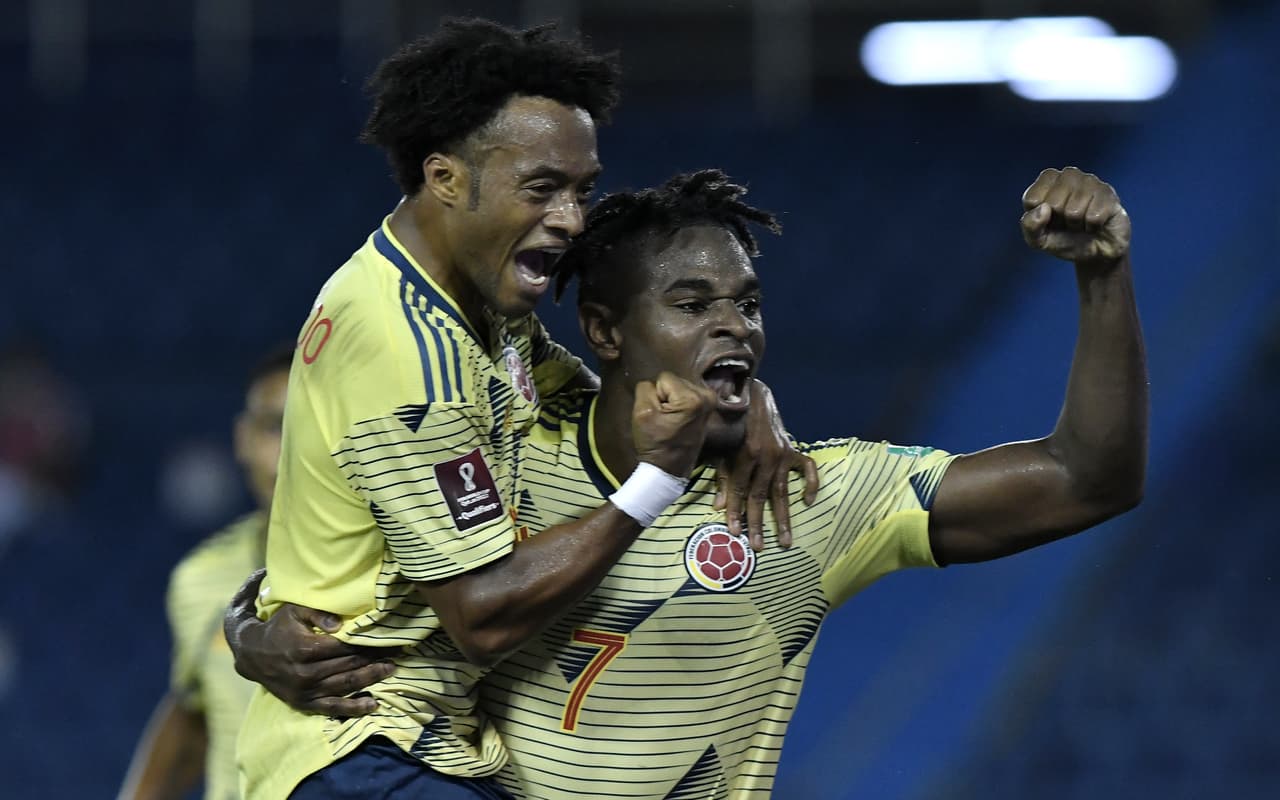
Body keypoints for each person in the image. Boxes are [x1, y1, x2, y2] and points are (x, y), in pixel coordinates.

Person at [229, 166, 1147, 797]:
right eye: (693, 304)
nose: (737, 328)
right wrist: (249, 626)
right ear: (604, 330)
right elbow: (350, 564)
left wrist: (1103, 275)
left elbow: (1085, 478)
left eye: (747, 304)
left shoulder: (808, 497)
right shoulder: (509, 452)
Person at [233, 20, 812, 800]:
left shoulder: (478, 304)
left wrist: (747, 402)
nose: (573, 219)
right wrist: (656, 480)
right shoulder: (403, 348)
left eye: (582, 188)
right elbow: (482, 613)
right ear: (445, 178)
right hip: (361, 751)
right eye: (542, 188)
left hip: (414, 748)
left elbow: (612, 403)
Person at [118, 346, 292, 800]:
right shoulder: (200, 578)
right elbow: (194, 711)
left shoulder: (404, 569)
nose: (293, 449)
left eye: (313, 425)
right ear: (243, 438)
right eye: (275, 427)